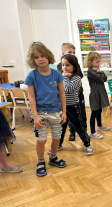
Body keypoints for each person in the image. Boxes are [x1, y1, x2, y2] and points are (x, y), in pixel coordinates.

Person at [25, 42, 67, 177]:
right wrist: (35, 115)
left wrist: (64, 112)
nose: (40, 59)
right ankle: (41, 161)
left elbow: (61, 93)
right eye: (36, 57)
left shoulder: (56, 75)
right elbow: (31, 97)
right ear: (33, 60)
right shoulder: (32, 76)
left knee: (56, 138)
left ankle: (53, 157)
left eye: (42, 55)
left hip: (56, 112)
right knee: (41, 140)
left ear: (48, 56)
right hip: (41, 113)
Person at [58, 54, 93, 155]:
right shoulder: (61, 77)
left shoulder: (76, 78)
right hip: (62, 107)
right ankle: (58, 144)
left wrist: (64, 78)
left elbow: (67, 89)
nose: (65, 67)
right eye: (63, 65)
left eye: (67, 65)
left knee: (79, 127)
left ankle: (88, 145)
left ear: (74, 66)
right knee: (61, 128)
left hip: (73, 106)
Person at [57, 43, 87, 142]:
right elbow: (61, 80)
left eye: (74, 52)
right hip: (65, 101)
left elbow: (80, 75)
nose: (72, 54)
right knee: (65, 121)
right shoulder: (60, 66)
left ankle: (84, 134)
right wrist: (66, 76)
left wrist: (69, 76)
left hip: (77, 97)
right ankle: (72, 133)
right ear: (63, 54)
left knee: (80, 116)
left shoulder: (76, 67)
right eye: (70, 52)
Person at [86, 52, 110, 139]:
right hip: (95, 95)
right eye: (97, 62)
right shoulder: (90, 71)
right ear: (91, 61)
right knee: (94, 112)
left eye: (99, 62)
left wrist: (100, 72)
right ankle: (92, 132)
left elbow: (105, 79)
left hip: (100, 93)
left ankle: (99, 125)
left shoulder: (97, 70)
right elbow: (100, 79)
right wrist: (100, 72)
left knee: (99, 110)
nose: (98, 64)